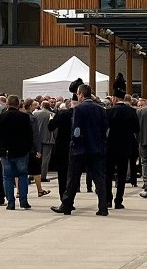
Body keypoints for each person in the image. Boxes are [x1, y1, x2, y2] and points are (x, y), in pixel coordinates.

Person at [51, 84, 109, 216]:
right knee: (99, 179)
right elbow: (106, 128)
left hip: (80, 148)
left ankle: (66, 205)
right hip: (97, 148)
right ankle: (103, 207)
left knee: (73, 178)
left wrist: (74, 143)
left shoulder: (79, 109)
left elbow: (76, 130)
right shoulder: (101, 109)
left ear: (81, 95)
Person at [0, 95, 34, 210]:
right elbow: (29, 135)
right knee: (22, 176)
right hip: (21, 151)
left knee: (7, 177)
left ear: (7, 104)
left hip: (5, 152)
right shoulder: (24, 117)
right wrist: (28, 149)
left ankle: (10, 202)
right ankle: (23, 201)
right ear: (18, 105)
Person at [107, 95, 140, 209]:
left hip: (111, 145)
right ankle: (118, 200)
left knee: (108, 173)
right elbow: (137, 129)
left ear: (115, 99)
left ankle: (108, 199)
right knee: (122, 174)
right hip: (125, 146)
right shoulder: (131, 111)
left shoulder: (110, 111)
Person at [48, 102, 73, 200]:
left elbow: (51, 127)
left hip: (62, 146)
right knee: (73, 175)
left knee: (62, 175)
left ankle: (64, 197)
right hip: (76, 146)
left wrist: (51, 120)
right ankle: (71, 198)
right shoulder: (79, 112)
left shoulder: (62, 114)